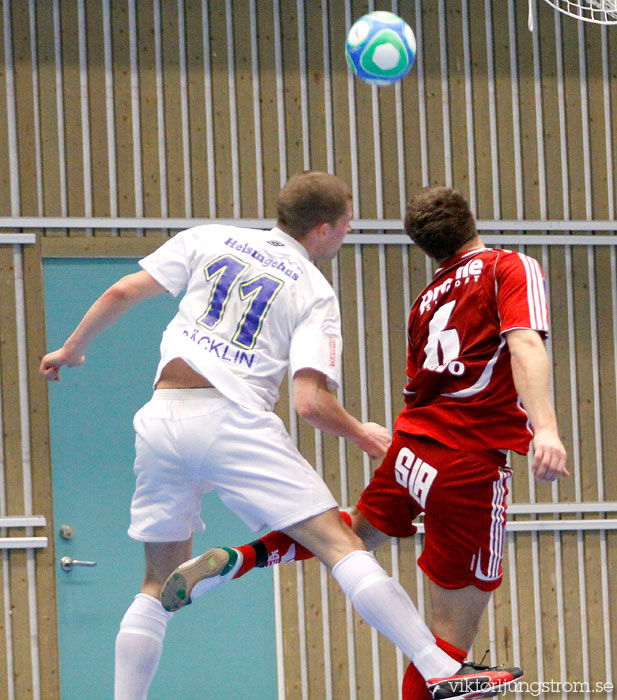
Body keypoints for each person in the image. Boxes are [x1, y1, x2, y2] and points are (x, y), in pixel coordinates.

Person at [40, 174, 517, 700]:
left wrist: (71, 348)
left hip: (160, 418)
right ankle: (441, 670)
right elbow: (309, 403)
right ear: (323, 228)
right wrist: (362, 434)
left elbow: (122, 289)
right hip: (232, 420)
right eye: (347, 223)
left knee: (155, 583)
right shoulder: (313, 289)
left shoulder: (210, 236)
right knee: (343, 545)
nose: (348, 231)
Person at [162, 185, 568, 700]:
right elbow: (525, 342)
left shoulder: (427, 301)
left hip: (414, 445)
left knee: (352, 534)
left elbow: (421, 384)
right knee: (446, 652)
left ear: (426, 249)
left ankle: (241, 557)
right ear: (469, 220)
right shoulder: (508, 267)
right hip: (470, 460)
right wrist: (547, 429)